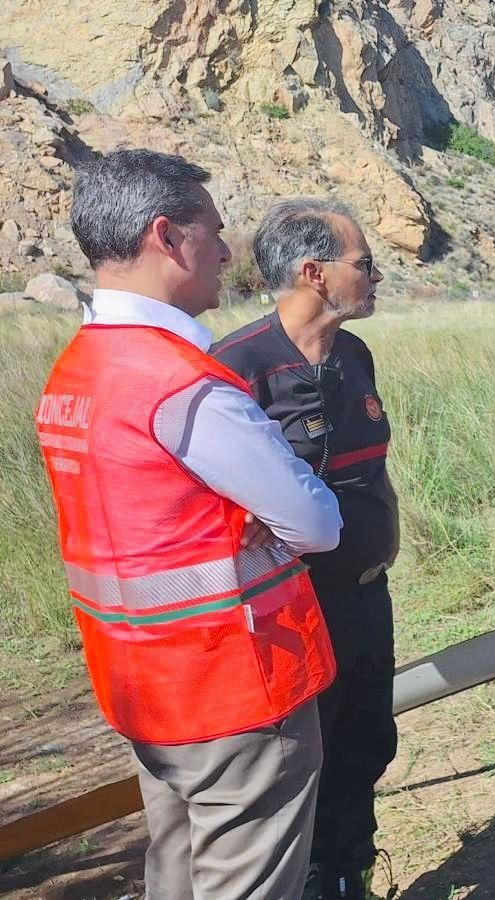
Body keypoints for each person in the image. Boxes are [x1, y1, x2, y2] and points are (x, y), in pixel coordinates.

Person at [35, 150, 342, 898]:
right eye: (216, 231)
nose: (229, 252)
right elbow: (315, 521)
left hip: (143, 687)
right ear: (168, 238)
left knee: (176, 870)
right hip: (233, 688)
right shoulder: (183, 386)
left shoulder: (75, 371)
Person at [212, 199, 399, 900]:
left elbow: (372, 466)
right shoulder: (236, 368)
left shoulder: (354, 355)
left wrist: (388, 536)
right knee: (300, 763)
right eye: (364, 264)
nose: (376, 277)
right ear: (314, 272)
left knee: (366, 742)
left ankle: (352, 876)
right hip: (289, 611)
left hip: (365, 594)